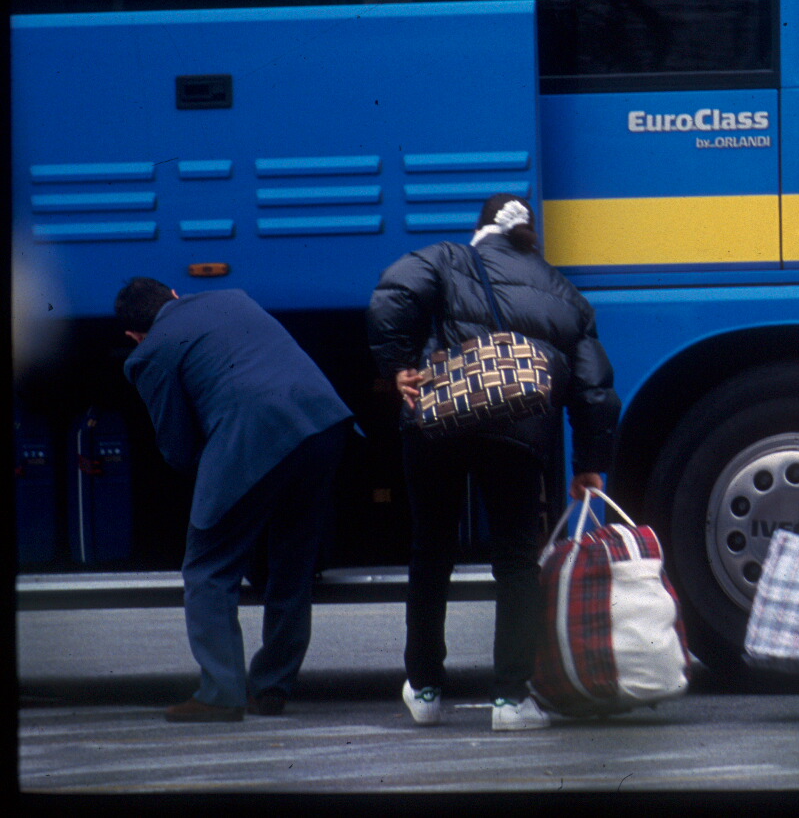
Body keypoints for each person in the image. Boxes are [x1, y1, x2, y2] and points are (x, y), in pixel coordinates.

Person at [367, 194, 620, 732]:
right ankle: (510, 699)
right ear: (531, 235)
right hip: (518, 434)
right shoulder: (566, 294)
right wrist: (589, 463)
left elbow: (390, 297)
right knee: (515, 560)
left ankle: (427, 690)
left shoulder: (447, 259)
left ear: (482, 229)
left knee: (431, 549)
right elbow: (595, 391)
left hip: (438, 421)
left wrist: (398, 366)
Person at [115, 277, 357, 723]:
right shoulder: (232, 297)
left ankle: (221, 692)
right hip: (322, 423)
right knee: (291, 562)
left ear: (134, 335)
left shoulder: (148, 353)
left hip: (254, 439)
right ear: (172, 293)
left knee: (206, 569)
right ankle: (271, 689)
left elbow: (178, 448)